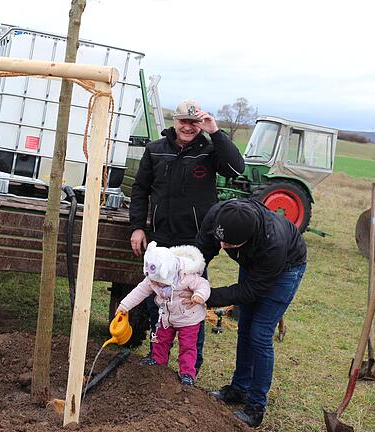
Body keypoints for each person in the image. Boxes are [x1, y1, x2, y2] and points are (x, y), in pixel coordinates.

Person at [128, 99, 245, 371]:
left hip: (195, 244)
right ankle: (156, 358)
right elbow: (140, 190)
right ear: (174, 121)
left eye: (195, 123)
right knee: (155, 299)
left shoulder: (209, 150)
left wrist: (215, 132)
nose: (188, 128)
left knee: (191, 302)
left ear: (201, 125)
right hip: (161, 240)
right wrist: (137, 226)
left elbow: (236, 168)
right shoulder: (155, 150)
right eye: (184, 122)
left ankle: (192, 365)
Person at [187, 198, 306, 428]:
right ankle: (238, 389)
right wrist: (190, 281)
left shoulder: (273, 244)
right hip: (253, 263)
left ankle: (255, 406)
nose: (222, 247)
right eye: (221, 241)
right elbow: (201, 254)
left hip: (286, 268)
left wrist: (209, 297)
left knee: (260, 333)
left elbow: (251, 290)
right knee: (245, 328)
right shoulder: (217, 217)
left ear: (247, 239)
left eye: (229, 245)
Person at [116, 242, 210, 386]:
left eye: (160, 283)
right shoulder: (153, 277)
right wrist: (124, 306)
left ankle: (187, 373)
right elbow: (139, 291)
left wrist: (199, 296)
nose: (156, 285)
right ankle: (158, 361)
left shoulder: (186, 276)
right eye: (154, 282)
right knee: (159, 339)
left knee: (188, 346)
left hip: (188, 318)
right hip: (166, 316)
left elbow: (203, 285)